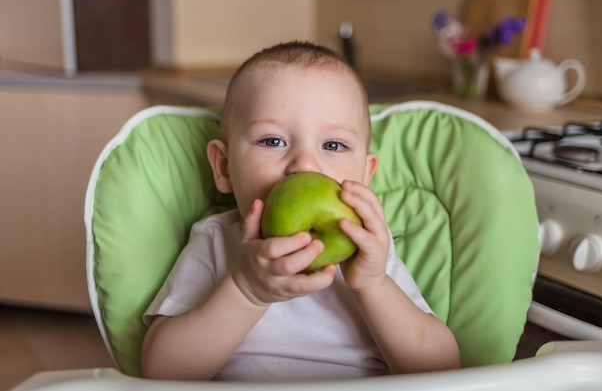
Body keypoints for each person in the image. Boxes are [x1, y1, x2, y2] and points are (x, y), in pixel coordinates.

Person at [141, 41, 460, 381]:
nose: (305, 165)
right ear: (223, 167)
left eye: (333, 145)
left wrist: (373, 285)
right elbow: (162, 372)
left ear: (365, 176)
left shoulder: (370, 254)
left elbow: (441, 372)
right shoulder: (217, 242)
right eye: (272, 141)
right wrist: (246, 291)